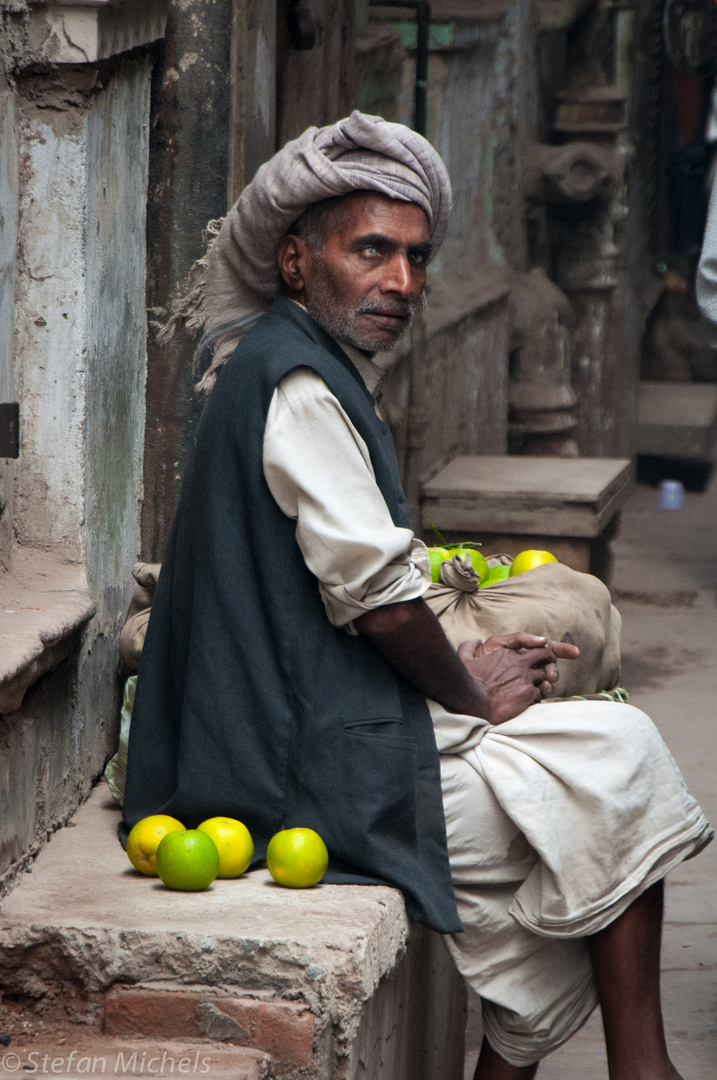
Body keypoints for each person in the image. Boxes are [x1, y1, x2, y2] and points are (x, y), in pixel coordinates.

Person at [123, 112, 712, 1079]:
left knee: (590, 778)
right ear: (296, 262)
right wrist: (470, 690)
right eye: (370, 251)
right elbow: (383, 603)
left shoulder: (290, 363)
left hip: (298, 733)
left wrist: (470, 670)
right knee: (620, 768)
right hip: (288, 773)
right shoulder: (298, 386)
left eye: (414, 256)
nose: (399, 280)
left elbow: (372, 580)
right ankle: (642, 1067)